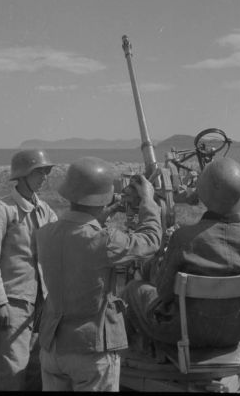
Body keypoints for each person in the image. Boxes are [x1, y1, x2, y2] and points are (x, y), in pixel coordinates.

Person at [35, 156, 162, 391]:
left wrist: (104, 212)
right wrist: (148, 201)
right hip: (91, 351)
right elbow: (151, 240)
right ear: (103, 198)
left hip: (52, 348)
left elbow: (78, 232)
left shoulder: (45, 234)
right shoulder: (106, 241)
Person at [123, 157, 240, 350]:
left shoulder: (183, 238)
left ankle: (131, 354)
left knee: (133, 289)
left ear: (201, 194)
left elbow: (163, 292)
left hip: (183, 333)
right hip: (235, 332)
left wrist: (161, 256)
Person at [0, 149, 57, 391]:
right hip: (11, 304)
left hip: (41, 304)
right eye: (39, 172)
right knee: (10, 372)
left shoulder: (44, 210)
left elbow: (60, 238)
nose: (44, 177)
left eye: (46, 171)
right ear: (22, 175)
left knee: (35, 370)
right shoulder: (2, 209)